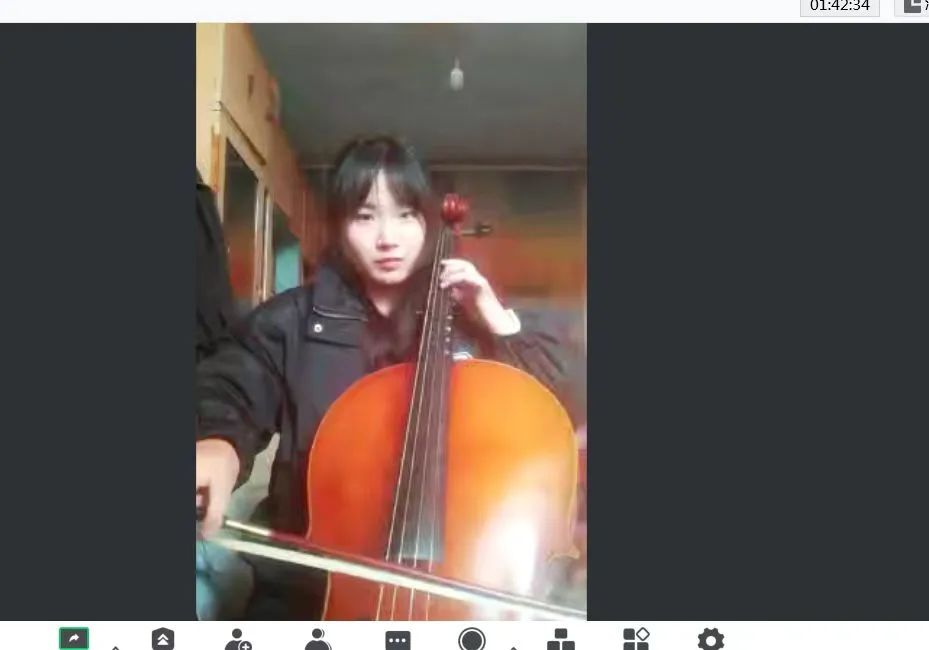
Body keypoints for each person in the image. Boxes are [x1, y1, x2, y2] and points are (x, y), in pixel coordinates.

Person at [195, 135, 578, 618]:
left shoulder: (471, 322)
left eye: (405, 214)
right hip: (311, 591)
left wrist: (497, 319)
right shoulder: (294, 319)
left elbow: (560, 402)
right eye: (365, 216)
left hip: (464, 597)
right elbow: (233, 384)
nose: (387, 238)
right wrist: (219, 443)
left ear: (428, 222)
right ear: (339, 225)